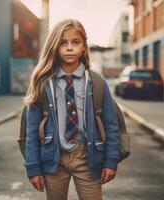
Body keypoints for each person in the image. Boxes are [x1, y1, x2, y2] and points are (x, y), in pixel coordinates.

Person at [24, 18, 120, 200]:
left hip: (88, 157)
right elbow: (31, 130)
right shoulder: (43, 83)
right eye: (63, 43)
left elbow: (111, 125)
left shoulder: (97, 83)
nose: (69, 48)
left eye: (75, 42)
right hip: (54, 159)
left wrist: (111, 161)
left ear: (84, 46)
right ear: (54, 46)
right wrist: (33, 167)